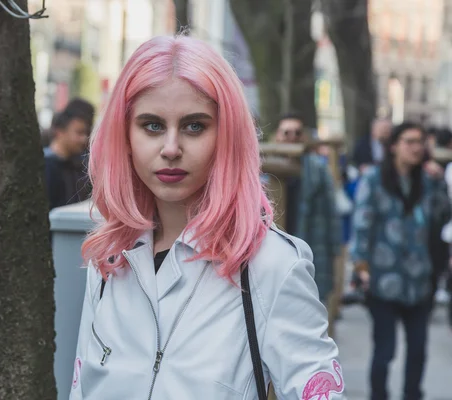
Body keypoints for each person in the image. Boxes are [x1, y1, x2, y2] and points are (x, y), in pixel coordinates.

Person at [70, 35, 343, 400]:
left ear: (227, 135)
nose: (170, 148)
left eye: (194, 126)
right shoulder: (108, 257)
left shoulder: (272, 264)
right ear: (124, 134)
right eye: (151, 125)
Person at [350, 122, 451, 400]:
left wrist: (440, 180)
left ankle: (412, 395)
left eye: (420, 142)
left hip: (420, 279)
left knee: (418, 348)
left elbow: (443, 216)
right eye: (409, 141)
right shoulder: (373, 179)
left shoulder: (429, 181)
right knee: (385, 350)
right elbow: (362, 225)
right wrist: (361, 267)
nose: (416, 147)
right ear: (394, 146)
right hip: (382, 279)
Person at [274, 113, 341, 305]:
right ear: (277, 136)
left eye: (297, 132)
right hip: (276, 247)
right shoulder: (263, 169)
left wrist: (334, 248)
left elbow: (331, 211)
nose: (292, 137)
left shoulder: (319, 170)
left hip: (310, 243)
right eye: (286, 132)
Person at [44, 109, 90, 211]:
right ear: (60, 132)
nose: (84, 138)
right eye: (79, 133)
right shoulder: (45, 165)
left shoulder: (79, 165)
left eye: (85, 133)